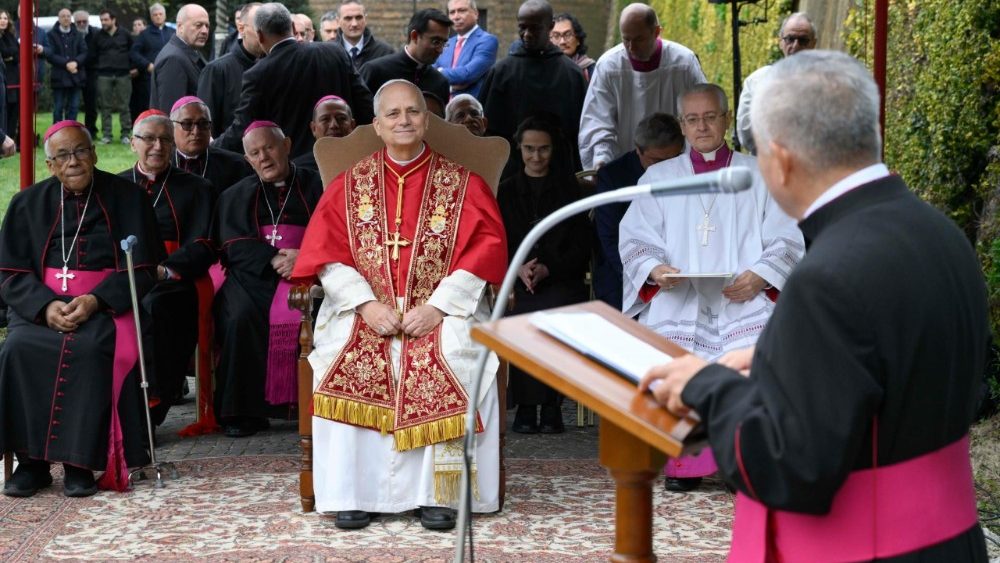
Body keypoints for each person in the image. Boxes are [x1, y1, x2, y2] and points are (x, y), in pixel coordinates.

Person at [640, 50, 990, 561]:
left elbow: (789, 465)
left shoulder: (828, 276)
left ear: (779, 158)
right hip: (951, 540)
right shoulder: (941, 234)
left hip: (864, 549)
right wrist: (775, 363)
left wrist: (705, 384)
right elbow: (889, 363)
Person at [291, 79, 507, 530]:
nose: (403, 120)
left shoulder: (462, 184)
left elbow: (485, 252)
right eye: (393, 114)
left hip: (443, 309)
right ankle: (354, 492)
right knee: (344, 351)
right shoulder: (351, 185)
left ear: (427, 121)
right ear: (377, 125)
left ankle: (440, 494)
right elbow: (327, 256)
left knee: (453, 350)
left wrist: (440, 307)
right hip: (367, 308)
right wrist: (366, 306)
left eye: (412, 112)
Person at [619, 84, 803, 491]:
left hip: (742, 298)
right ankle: (685, 466)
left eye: (710, 117)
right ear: (682, 125)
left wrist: (760, 274)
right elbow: (634, 236)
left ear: (726, 119)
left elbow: (787, 237)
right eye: (692, 119)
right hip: (679, 299)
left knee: (751, 365)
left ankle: (742, 463)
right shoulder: (660, 177)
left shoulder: (758, 174)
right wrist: (656, 268)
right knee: (672, 362)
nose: (701, 126)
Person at [0, 120, 164, 498]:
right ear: (50, 165)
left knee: (90, 349)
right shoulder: (27, 203)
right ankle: (32, 464)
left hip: (106, 306)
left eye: (80, 152)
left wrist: (95, 301)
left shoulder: (128, 197)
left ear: (94, 154)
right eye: (63, 156)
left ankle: (79, 464)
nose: (73, 162)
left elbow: (143, 268)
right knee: (18, 348)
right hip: (41, 306)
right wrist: (44, 308)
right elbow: (10, 271)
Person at [213, 120, 323, 438]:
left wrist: (304, 257)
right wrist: (272, 258)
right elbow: (231, 243)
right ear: (247, 159)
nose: (263, 158)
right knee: (240, 316)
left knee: (323, 314)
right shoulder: (235, 196)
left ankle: (313, 406)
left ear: (286, 145)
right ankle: (243, 411)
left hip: (312, 272)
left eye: (269, 148)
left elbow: (336, 233)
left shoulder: (318, 186)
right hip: (253, 275)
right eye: (254, 153)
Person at [117, 110, 215, 426]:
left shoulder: (197, 188)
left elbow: (203, 243)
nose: (157, 146)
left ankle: (151, 406)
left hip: (174, 278)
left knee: (154, 307)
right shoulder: (114, 187)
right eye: (149, 139)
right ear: (133, 143)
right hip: (122, 276)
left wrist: (165, 270)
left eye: (165, 140)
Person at [498, 115, 590, 434]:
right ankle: (526, 406)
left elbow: (582, 242)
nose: (536, 157)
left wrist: (549, 265)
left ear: (554, 150)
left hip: (560, 279)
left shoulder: (571, 190)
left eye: (543, 150)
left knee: (556, 315)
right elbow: (498, 239)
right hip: (517, 281)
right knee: (521, 317)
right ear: (518, 149)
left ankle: (550, 405)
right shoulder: (504, 191)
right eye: (529, 149)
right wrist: (517, 267)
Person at [213, 3, 374, 159]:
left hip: (295, 170)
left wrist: (211, 149)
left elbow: (243, 127)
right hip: (343, 157)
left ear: (260, 35)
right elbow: (365, 105)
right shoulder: (334, 52)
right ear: (293, 27)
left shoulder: (258, 74)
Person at [578, 3, 705, 171]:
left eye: (638, 39)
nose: (631, 48)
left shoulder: (683, 62)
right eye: (626, 39)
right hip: (624, 163)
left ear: (656, 32)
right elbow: (598, 120)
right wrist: (601, 158)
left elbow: (701, 113)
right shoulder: (609, 66)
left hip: (678, 164)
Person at [479, 0, 587, 171]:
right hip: (511, 174)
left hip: (559, 173)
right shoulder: (501, 72)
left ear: (550, 26)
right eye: (522, 27)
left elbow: (580, 130)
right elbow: (489, 131)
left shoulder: (571, 74)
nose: (527, 34)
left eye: (535, 28)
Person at [593, 112, 683, 310]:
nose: (668, 168)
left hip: (679, 268)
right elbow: (609, 238)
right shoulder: (613, 177)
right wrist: (643, 272)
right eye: (657, 161)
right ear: (638, 151)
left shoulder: (688, 171)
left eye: (675, 158)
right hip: (624, 271)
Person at [736, 12, 816, 154]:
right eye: (790, 39)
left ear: (813, 43)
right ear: (780, 42)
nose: (796, 45)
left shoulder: (829, 82)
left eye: (803, 40)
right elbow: (746, 134)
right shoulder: (756, 82)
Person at [360, 9, 451, 105]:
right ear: (415, 36)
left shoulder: (440, 82)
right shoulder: (375, 71)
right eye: (436, 42)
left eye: (444, 43)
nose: (440, 50)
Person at [198, 3, 262, 138]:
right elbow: (207, 125)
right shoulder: (217, 70)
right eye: (258, 28)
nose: (264, 34)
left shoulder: (274, 65)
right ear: (241, 28)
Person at [171, 96, 253, 195]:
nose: (196, 131)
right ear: (172, 128)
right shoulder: (162, 163)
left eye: (203, 124)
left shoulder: (237, 165)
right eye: (187, 124)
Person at [150, 4, 209, 114]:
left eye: (207, 26)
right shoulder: (173, 59)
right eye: (198, 25)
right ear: (180, 27)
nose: (204, 31)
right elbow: (172, 114)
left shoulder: (188, 51)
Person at [434, 0, 497, 99]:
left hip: (469, 109)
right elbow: (429, 70)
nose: (456, 17)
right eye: (452, 12)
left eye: (462, 11)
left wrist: (439, 73)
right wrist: (452, 84)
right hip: (443, 108)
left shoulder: (487, 40)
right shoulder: (446, 43)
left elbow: (467, 74)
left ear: (476, 14)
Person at [94, 9, 134, 145]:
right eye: (101, 20)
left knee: (124, 106)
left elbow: (133, 51)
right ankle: (107, 135)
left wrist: (133, 67)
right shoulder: (98, 36)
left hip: (123, 75)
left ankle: (125, 135)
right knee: (105, 107)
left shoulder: (125, 34)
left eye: (105, 19)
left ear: (113, 20)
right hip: (104, 75)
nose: (103, 22)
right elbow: (93, 54)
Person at [131, 3, 174, 127]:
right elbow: (134, 53)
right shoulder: (144, 34)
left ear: (165, 16)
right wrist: (146, 65)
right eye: (155, 15)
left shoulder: (172, 33)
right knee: (150, 105)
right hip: (150, 77)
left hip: (170, 75)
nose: (158, 17)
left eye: (160, 14)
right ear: (151, 17)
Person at [292, 94, 356, 172]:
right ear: (313, 128)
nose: (334, 125)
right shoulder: (298, 169)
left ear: (352, 125)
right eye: (325, 119)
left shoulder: (367, 160)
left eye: (341, 118)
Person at [44, 9, 88, 123]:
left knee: (73, 108)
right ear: (58, 18)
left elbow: (84, 52)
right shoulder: (51, 35)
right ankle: (57, 135)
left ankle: (71, 133)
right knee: (58, 108)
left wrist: (76, 62)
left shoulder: (78, 34)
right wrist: (66, 64)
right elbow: (50, 54)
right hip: (59, 76)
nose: (66, 18)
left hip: (75, 77)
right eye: (63, 16)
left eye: (68, 16)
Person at [335, 0, 393, 69]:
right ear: (338, 21)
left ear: (365, 19)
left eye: (358, 18)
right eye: (348, 18)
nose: (354, 24)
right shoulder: (328, 53)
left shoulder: (384, 52)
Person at [74, 10, 100, 135]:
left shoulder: (96, 33)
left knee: (91, 104)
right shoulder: (72, 34)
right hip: (74, 72)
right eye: (79, 22)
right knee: (72, 104)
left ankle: (91, 130)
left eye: (84, 21)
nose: (82, 24)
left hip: (91, 72)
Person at [551, 13, 595, 82]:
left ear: (578, 39)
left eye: (568, 35)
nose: (562, 42)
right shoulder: (545, 68)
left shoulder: (591, 70)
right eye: (556, 36)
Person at [0, 10, 20, 144]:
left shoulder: (10, 36)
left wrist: (10, 56)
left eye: (5, 18)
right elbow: (6, 53)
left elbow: (17, 55)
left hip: (13, 78)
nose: (3, 21)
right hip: (4, 77)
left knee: (13, 109)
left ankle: (11, 138)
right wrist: (10, 55)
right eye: (0, 18)